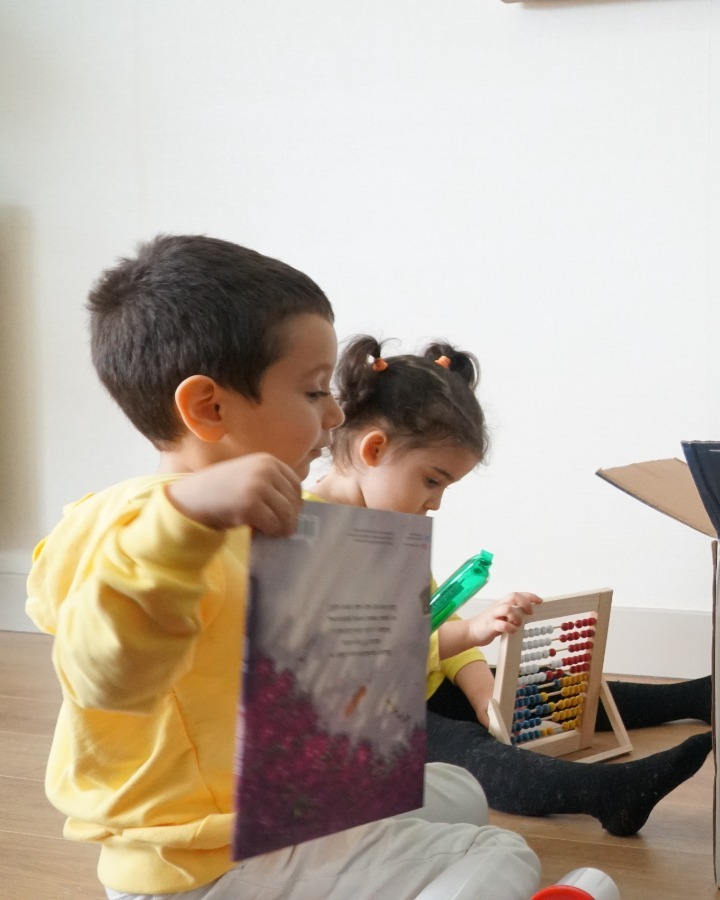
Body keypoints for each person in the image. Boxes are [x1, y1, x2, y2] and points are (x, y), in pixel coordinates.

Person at [25, 235, 541, 900]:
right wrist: (186, 517)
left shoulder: (288, 525)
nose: (334, 415)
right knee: (499, 852)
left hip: (281, 807)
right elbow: (107, 675)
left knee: (459, 791)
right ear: (209, 408)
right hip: (205, 862)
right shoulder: (129, 526)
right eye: (312, 391)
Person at [311, 335, 712, 837]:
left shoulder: (396, 525)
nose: (436, 503)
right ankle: (606, 794)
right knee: (470, 753)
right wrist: (469, 634)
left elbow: (435, 615)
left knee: (538, 689)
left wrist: (485, 692)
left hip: (424, 683)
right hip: (371, 713)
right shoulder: (306, 537)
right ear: (374, 449)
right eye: (432, 481)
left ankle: (694, 697)